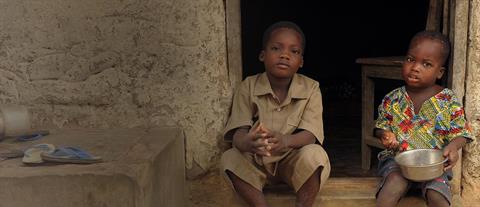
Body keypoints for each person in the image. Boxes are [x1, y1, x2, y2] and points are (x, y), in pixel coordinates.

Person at [220, 21, 330, 207]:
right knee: (229, 158)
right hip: (255, 161)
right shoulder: (248, 86)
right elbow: (238, 132)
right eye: (276, 48)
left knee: (316, 155)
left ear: (301, 61)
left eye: (294, 51)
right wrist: (247, 142)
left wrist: (286, 141)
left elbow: (311, 135)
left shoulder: (311, 88)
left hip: (291, 159)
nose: (285, 55)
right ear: (263, 55)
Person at [374, 31, 473, 207]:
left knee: (437, 195)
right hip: (398, 162)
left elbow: (461, 132)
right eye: (411, 60)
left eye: (426, 64)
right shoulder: (392, 98)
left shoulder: (448, 100)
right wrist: (385, 134)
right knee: (393, 184)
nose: (415, 67)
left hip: (434, 165)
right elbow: (381, 126)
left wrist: (453, 146)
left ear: (439, 72)